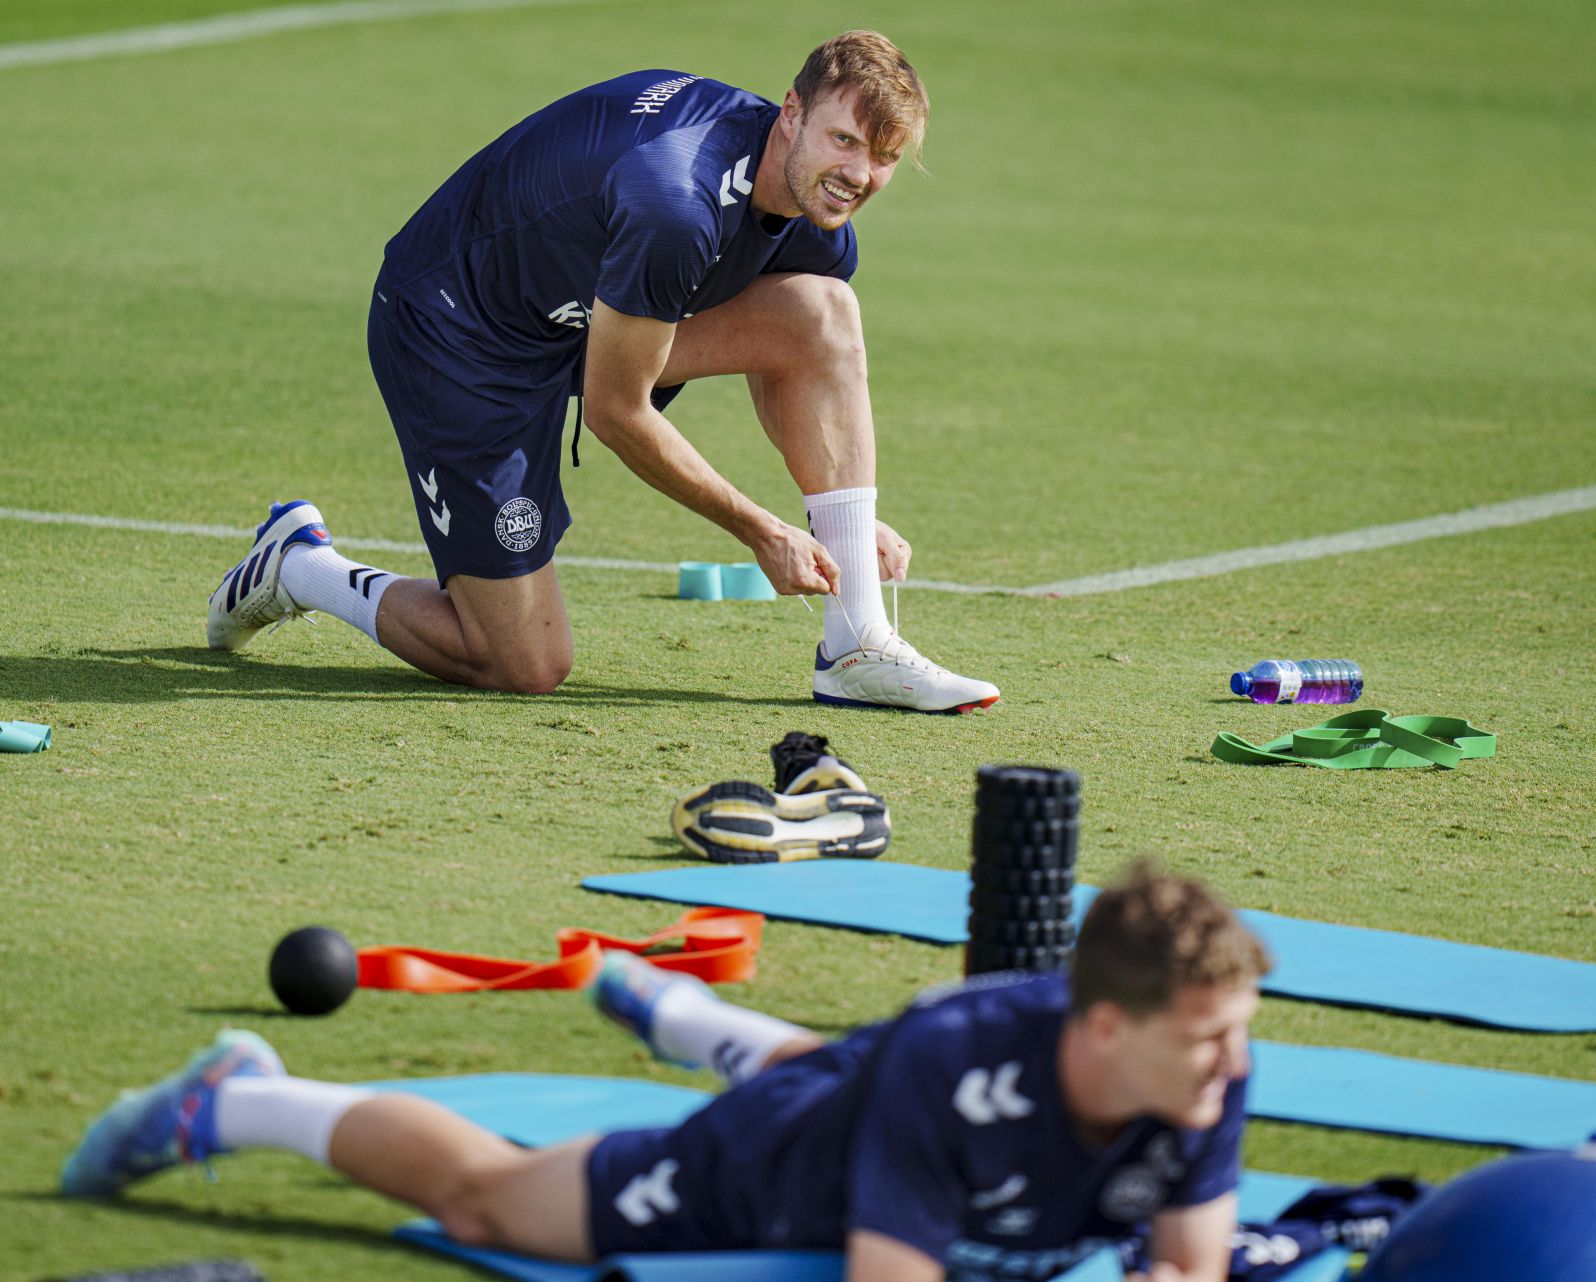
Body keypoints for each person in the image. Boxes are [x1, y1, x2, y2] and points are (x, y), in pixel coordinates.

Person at [204, 31, 999, 713]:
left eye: (885, 157)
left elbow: (789, 361)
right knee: (522, 664)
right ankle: (302, 566)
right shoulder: (676, 204)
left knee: (820, 315)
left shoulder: (815, 215)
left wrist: (840, 525)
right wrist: (762, 530)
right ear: (790, 113)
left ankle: (856, 646)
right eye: (844, 141)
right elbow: (618, 413)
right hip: (459, 333)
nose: (859, 175)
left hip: (584, 316)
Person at [62, 866, 1270, 1282]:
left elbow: (1193, 1260)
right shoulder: (959, 1070)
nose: (1234, 1064)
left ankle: (684, 1014)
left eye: (1237, 1033)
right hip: (781, 1167)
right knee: (495, 1199)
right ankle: (237, 1099)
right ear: (1105, 1026)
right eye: (1208, 1036)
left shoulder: (1206, 1076)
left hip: (873, 1089)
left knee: (849, 1073)